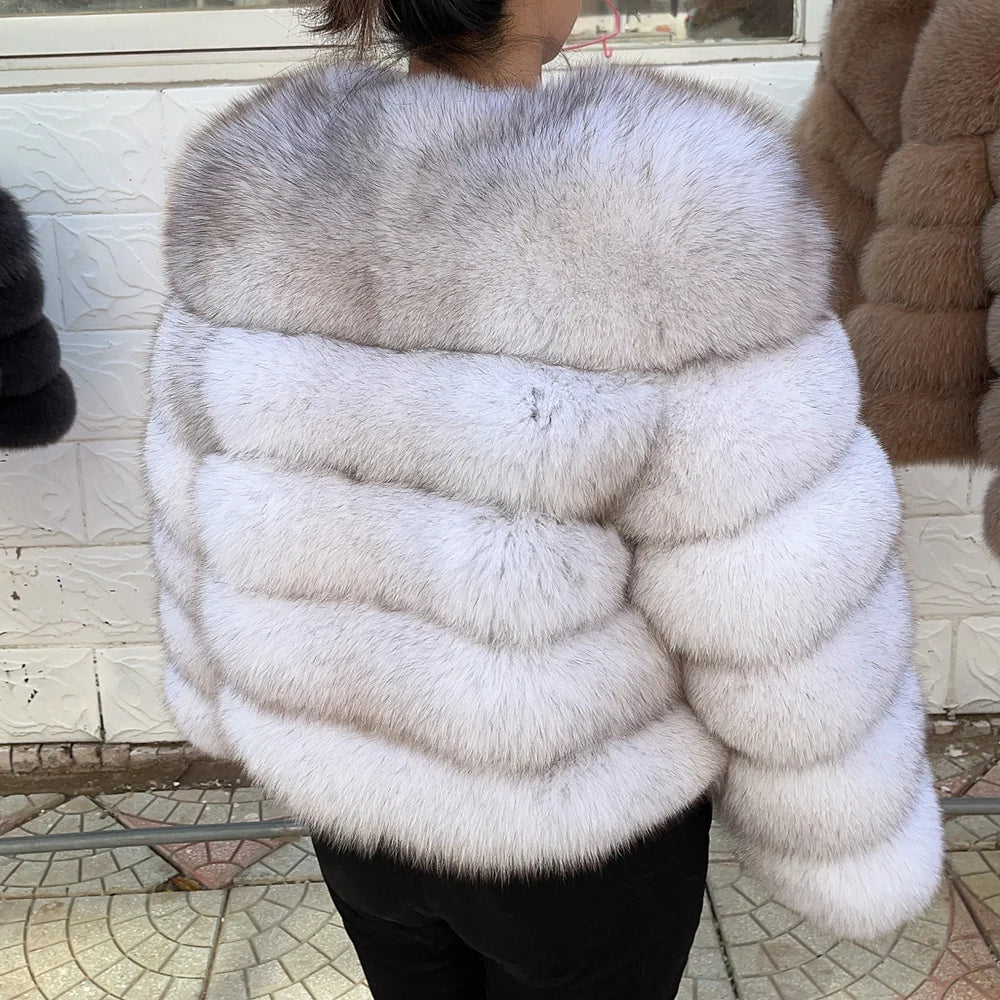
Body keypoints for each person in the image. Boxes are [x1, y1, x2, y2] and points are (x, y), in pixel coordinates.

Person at [145, 1, 945, 997]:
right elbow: (776, 591)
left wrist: (216, 699)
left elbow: (189, 495)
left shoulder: (254, 178)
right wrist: (844, 837)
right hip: (577, 837)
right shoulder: (674, 197)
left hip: (357, 820)